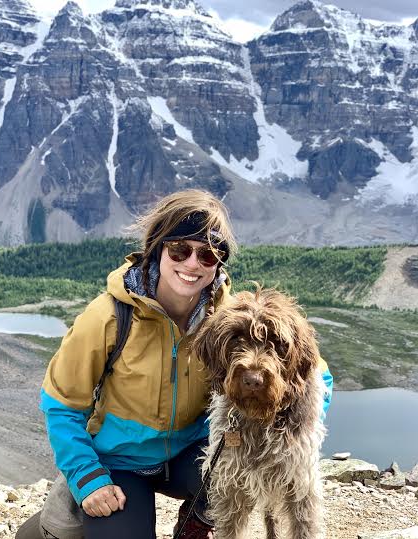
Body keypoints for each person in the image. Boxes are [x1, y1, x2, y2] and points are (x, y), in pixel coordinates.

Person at [34, 189, 334, 538]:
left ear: (218, 264)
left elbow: (314, 372)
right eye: (179, 249)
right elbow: (62, 406)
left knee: (236, 477)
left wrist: (303, 424)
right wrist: (89, 478)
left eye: (208, 256)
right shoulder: (108, 317)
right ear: (157, 248)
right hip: (122, 462)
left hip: (194, 455)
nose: (192, 263)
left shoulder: (229, 317)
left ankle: (197, 522)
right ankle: (52, 520)